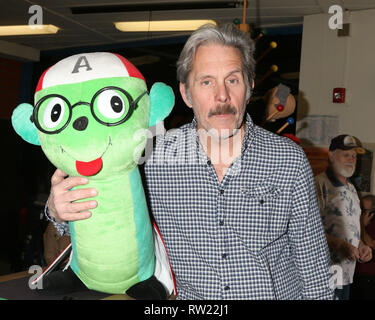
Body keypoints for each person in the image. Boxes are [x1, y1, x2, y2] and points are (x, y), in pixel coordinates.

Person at [46, 23, 333, 299]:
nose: (222, 96)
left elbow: (313, 262)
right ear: (186, 93)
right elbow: (106, 216)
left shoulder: (287, 159)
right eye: (206, 81)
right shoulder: (150, 157)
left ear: (249, 88)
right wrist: (56, 211)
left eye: (232, 80)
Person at [315, 135, 372, 300]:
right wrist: (340, 245)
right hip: (324, 272)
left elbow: (353, 229)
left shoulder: (352, 189)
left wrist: (362, 246)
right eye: (346, 154)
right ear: (331, 155)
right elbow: (307, 230)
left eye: (354, 156)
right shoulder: (319, 184)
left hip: (346, 274)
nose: (351, 159)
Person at [350, 194, 375, 299]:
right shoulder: (355, 223)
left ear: (372, 213)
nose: (360, 213)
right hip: (353, 275)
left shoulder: (368, 225)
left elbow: (370, 244)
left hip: (369, 278)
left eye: (364, 210)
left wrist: (361, 225)